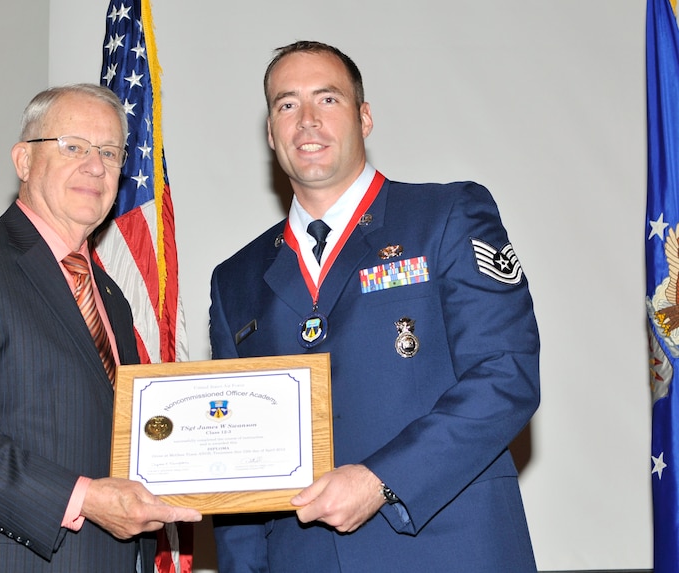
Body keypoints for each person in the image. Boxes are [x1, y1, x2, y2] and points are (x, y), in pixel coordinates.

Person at [209, 41, 540, 572]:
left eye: (328, 100)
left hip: (446, 549)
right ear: (271, 133)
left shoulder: (447, 215)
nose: (307, 121)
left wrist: (383, 480)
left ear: (364, 118)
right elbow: (240, 469)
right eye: (287, 105)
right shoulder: (235, 279)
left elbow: (505, 376)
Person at [0, 83, 201, 573]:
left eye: (109, 152)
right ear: (23, 161)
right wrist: (81, 498)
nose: (96, 166)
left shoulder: (112, 298)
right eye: (73, 146)